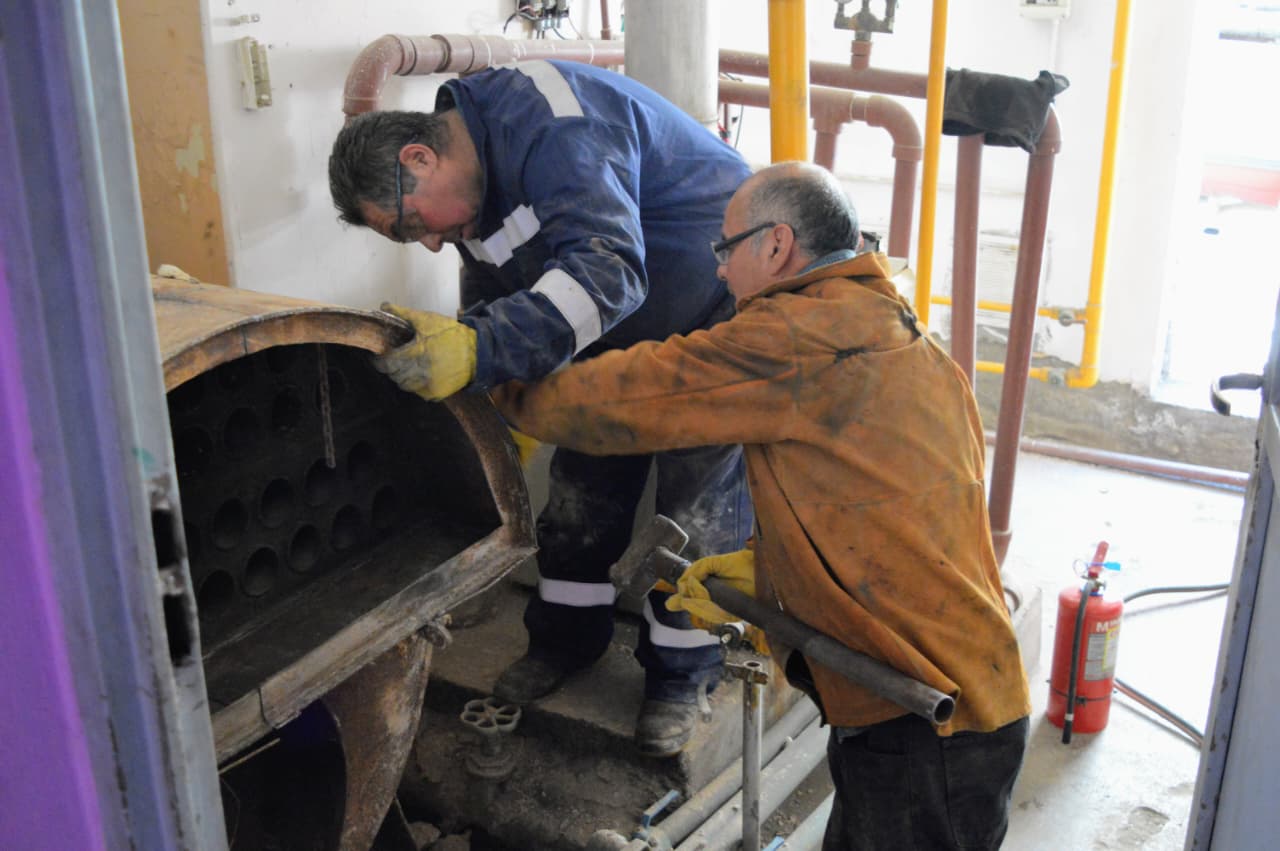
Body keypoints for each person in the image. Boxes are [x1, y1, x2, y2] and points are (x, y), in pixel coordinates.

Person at [488, 162, 1033, 849]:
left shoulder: (798, 335)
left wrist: (492, 377)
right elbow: (877, 501)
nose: (718, 270)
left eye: (726, 248)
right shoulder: (883, 319)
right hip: (956, 691)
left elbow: (638, 394)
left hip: (928, 718)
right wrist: (775, 572)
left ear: (776, 245)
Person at [328, 60, 754, 757]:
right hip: (615, 328)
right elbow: (505, 290)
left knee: (693, 511)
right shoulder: (473, 182)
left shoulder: (553, 125)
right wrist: (497, 397)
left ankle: (682, 675)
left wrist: (479, 347)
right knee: (581, 492)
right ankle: (564, 641)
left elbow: (610, 271)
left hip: (711, 314)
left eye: (410, 225)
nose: (429, 242)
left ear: (420, 158)